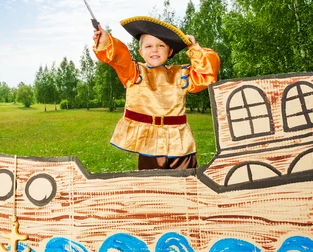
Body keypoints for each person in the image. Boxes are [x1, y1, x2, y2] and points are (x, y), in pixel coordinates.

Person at [92, 16, 220, 170]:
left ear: (170, 51)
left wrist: (194, 48)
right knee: (152, 185)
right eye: (149, 46)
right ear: (141, 51)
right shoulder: (134, 73)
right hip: (149, 144)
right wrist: (105, 40)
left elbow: (207, 73)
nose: (154, 49)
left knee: (187, 184)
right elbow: (119, 57)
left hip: (180, 142)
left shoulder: (181, 74)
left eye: (161, 45)